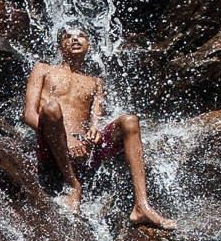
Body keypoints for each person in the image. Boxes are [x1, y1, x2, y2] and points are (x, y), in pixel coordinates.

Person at [23, 27, 175, 229]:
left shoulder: (96, 82)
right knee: (51, 108)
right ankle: (72, 184)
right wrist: (67, 138)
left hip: (84, 151)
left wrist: (93, 132)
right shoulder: (43, 69)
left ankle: (142, 205)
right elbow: (29, 115)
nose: (75, 39)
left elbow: (96, 119)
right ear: (60, 48)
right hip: (53, 146)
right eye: (68, 37)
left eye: (81, 36)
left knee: (130, 121)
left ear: (89, 46)